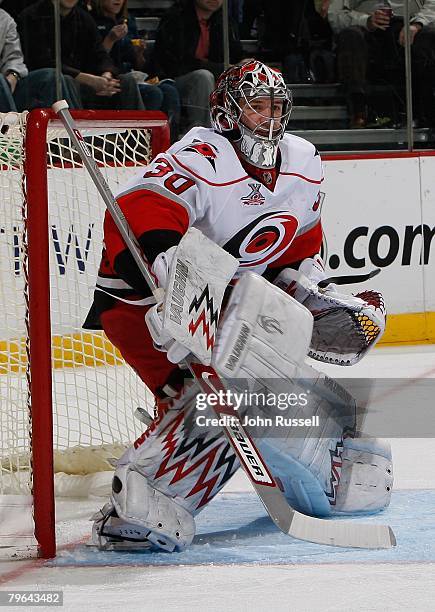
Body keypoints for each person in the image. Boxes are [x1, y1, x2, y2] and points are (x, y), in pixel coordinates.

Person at [84, 60, 391, 552]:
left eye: (275, 107)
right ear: (227, 111)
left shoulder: (303, 162)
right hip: (144, 301)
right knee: (217, 400)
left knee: (256, 389)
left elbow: (296, 250)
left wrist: (308, 295)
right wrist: (179, 288)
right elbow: (139, 216)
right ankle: (147, 503)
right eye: (256, 106)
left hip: (232, 305)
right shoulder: (202, 154)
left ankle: (328, 458)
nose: (268, 119)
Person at [17, 0, 144, 111]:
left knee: (126, 81)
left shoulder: (84, 18)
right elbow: (41, 62)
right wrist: (89, 79)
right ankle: (75, 135)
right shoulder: (31, 16)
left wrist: (106, 76)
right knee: (63, 80)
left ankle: (137, 134)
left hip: (84, 83)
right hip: (44, 84)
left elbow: (100, 54)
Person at [328, 0, 435, 128]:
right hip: (368, 34)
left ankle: (424, 115)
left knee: (427, 38)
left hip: (409, 27)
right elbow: (335, 14)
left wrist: (418, 24)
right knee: (351, 35)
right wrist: (365, 20)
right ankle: (359, 112)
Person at [89, 0, 180, 140]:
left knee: (169, 90)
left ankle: (170, 143)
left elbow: (139, 65)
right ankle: (140, 142)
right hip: (105, 78)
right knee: (153, 93)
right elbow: (94, 60)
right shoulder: (91, 20)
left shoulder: (127, 21)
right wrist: (110, 39)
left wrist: (138, 54)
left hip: (133, 75)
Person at [148, 0, 244, 132]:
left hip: (215, 77)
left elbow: (235, 54)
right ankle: (202, 134)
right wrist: (221, 68)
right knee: (203, 77)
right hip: (174, 80)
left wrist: (243, 64)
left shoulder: (224, 19)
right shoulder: (176, 17)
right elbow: (176, 63)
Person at [0, 3, 75, 112]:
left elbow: (14, 58)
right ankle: (11, 127)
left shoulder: (5, 19)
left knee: (51, 76)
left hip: (5, 87)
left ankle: (73, 126)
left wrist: (13, 75)